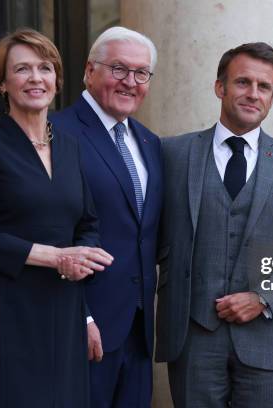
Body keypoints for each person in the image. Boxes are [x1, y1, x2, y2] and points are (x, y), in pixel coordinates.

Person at [156, 42, 273, 408]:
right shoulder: (172, 154)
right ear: (220, 87)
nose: (253, 94)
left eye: (264, 87)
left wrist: (264, 299)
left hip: (267, 342)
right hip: (193, 338)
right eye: (242, 82)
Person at [0, 29, 114, 407]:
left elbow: (87, 224)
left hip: (64, 307)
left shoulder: (70, 145)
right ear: (2, 83)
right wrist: (57, 257)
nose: (36, 78)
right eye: (22, 69)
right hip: (7, 309)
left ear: (57, 79)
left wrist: (81, 270)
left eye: (45, 68)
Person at [51, 26, 163, 407]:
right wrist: (80, 318)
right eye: (118, 68)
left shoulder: (149, 142)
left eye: (141, 73)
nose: (130, 82)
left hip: (138, 329)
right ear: (89, 70)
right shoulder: (57, 133)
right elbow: (51, 231)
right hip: (84, 328)